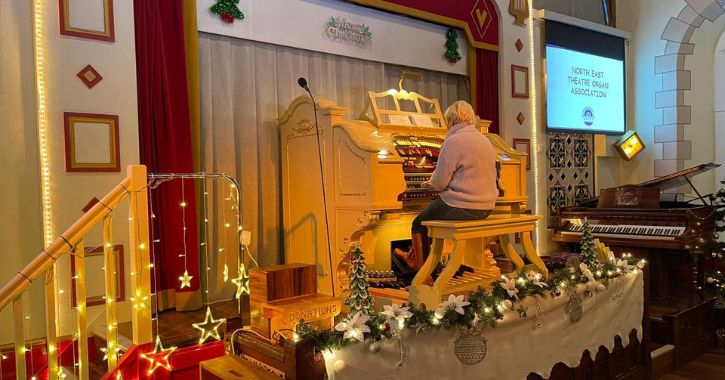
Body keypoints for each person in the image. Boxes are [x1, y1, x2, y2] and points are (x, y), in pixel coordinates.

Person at [394, 100, 499, 271]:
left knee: (418, 223)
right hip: (486, 207)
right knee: (432, 216)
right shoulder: (484, 140)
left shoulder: (454, 141)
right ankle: (430, 263)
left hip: (463, 205)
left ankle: (421, 271)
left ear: (451, 120)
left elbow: (440, 182)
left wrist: (429, 184)